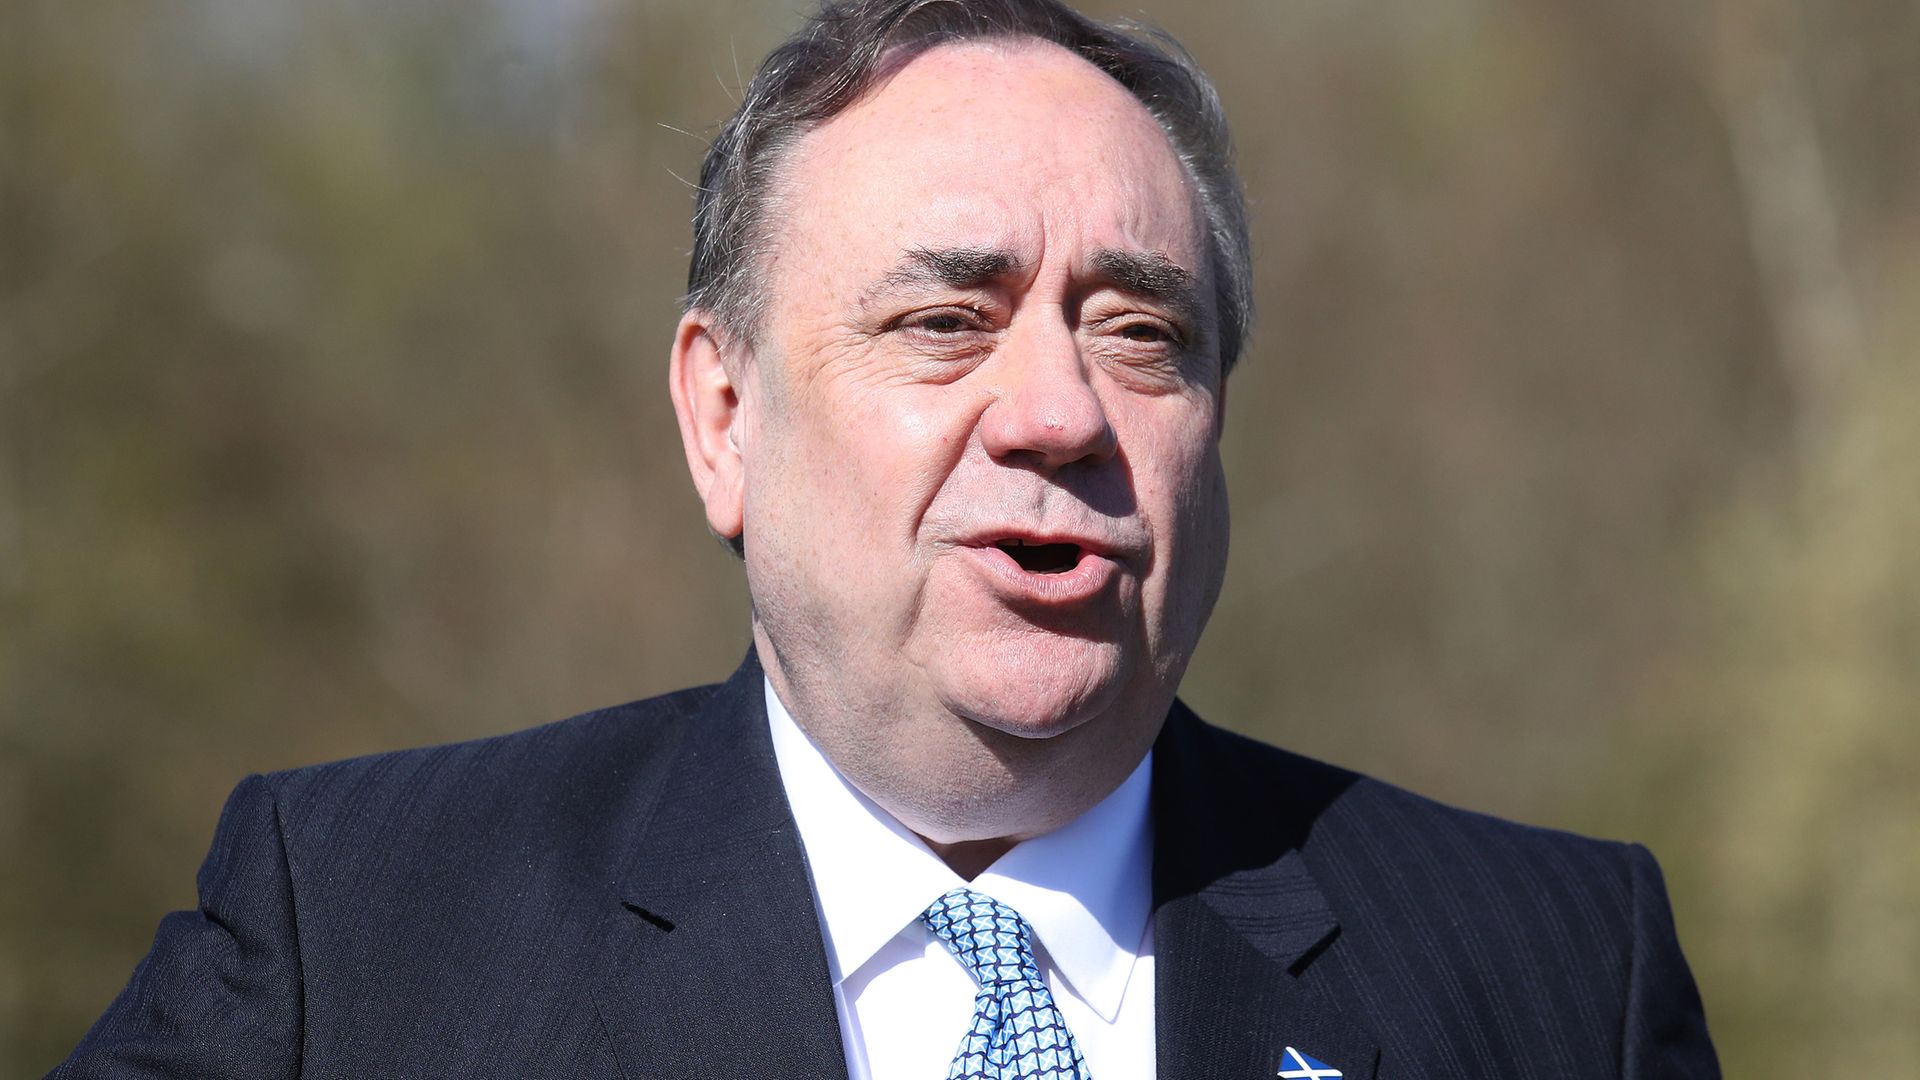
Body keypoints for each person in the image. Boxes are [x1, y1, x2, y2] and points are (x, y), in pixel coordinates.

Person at [53, 1, 1719, 1077]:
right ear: (724, 419)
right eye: (944, 320)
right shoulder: (357, 946)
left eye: (1143, 332)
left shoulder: (1559, 978)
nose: (1059, 410)